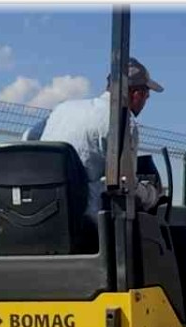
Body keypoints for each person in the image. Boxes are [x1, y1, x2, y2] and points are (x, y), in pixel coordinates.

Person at [36, 57, 164, 217]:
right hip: (87, 219)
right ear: (137, 94)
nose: (147, 99)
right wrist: (151, 194)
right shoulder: (122, 121)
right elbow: (125, 186)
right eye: (147, 95)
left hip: (45, 212)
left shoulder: (62, 109)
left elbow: (28, 139)